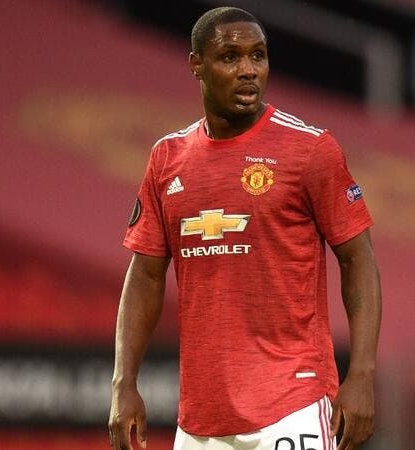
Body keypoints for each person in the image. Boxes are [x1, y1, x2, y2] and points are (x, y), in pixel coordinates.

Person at [108, 6, 382, 450]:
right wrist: (123, 383)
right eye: (230, 57)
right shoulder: (167, 158)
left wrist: (363, 374)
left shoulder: (309, 149)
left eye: (258, 55)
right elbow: (145, 275)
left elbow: (358, 259)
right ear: (197, 64)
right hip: (201, 420)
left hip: (292, 404)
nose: (249, 70)